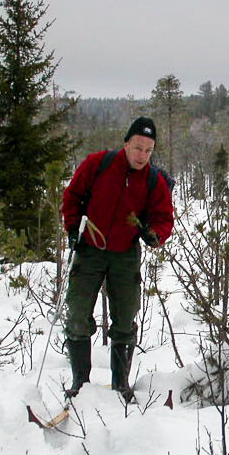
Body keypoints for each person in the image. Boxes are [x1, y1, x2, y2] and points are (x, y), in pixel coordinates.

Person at [60, 116, 174, 402]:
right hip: (89, 248)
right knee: (76, 314)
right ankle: (80, 384)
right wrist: (73, 228)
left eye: (148, 150)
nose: (142, 156)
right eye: (138, 148)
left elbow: (164, 217)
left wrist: (155, 235)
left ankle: (120, 384)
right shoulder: (98, 163)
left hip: (125, 254)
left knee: (125, 318)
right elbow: (72, 196)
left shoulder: (154, 180)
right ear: (125, 143)